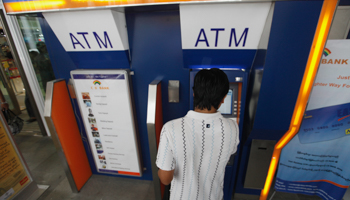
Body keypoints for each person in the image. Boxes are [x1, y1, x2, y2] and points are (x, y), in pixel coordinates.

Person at [156, 68, 239, 200]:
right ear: (223, 99)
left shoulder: (170, 128)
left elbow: (165, 179)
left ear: (194, 93)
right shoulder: (232, 127)